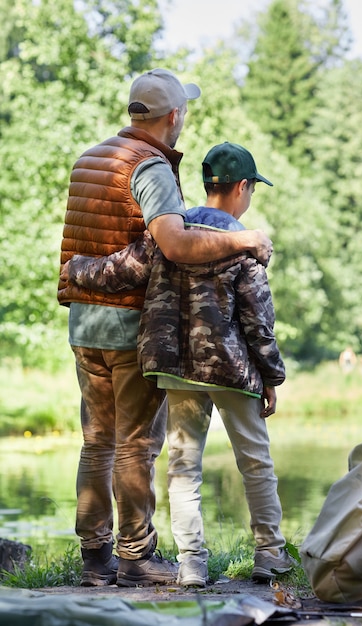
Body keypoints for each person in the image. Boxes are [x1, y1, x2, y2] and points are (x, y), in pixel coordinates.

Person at [57, 69, 273, 589]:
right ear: (173, 116)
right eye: (184, 113)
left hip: (83, 323)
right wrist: (244, 242)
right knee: (135, 444)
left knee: (97, 442)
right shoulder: (149, 167)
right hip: (128, 324)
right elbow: (174, 245)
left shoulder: (93, 156)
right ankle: (135, 557)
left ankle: (94, 560)